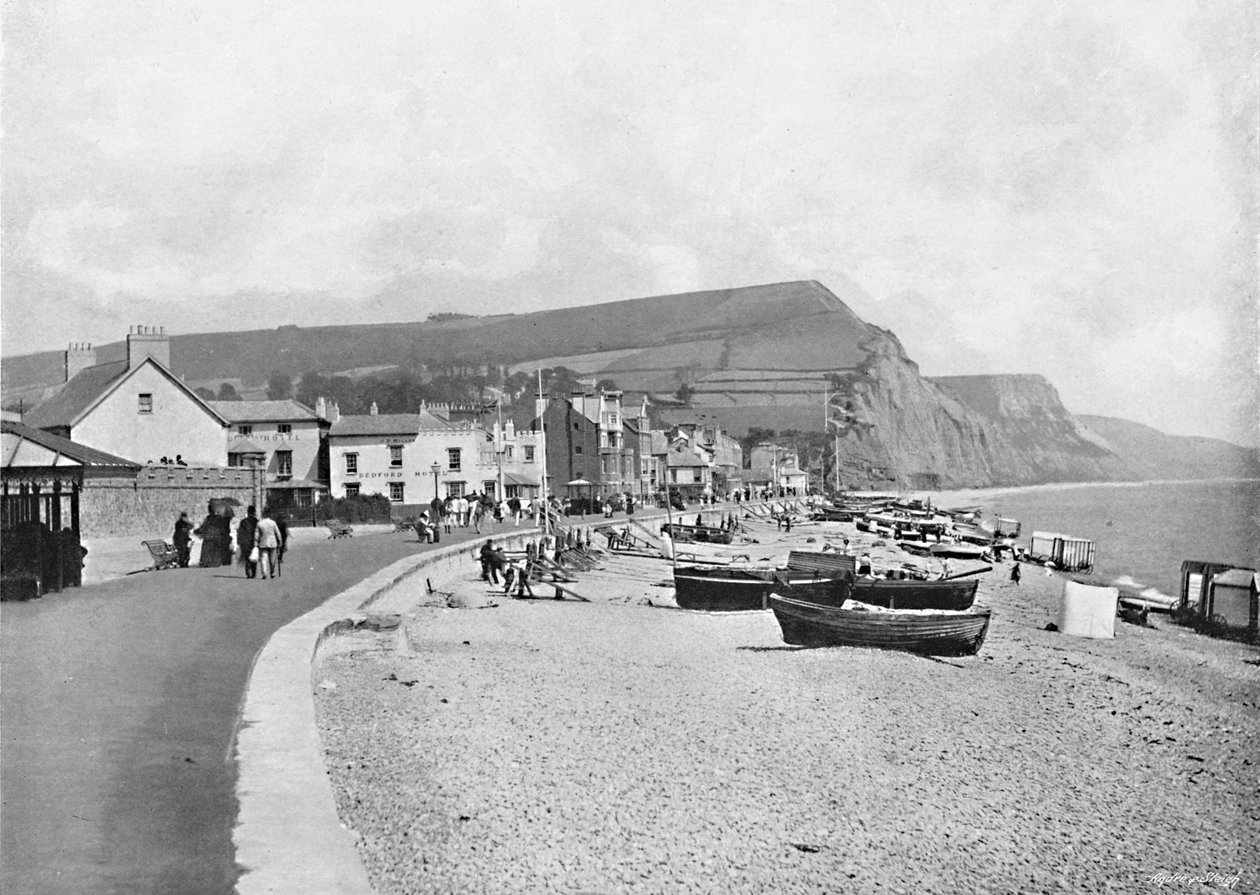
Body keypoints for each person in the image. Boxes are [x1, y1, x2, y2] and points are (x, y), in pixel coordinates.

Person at [255, 508, 282, 579]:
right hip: (272, 543)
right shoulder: (273, 523)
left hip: (263, 542)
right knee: (272, 559)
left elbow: (256, 535)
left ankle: (264, 573)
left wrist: (256, 542)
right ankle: (272, 572)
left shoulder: (260, 523)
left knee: (263, 559)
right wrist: (280, 541)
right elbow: (278, 533)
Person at [237, 506, 260, 579]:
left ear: (248, 512)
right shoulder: (256, 521)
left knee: (247, 558)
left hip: (245, 542)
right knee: (254, 557)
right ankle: (253, 573)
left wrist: (239, 541)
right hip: (253, 542)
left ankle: (248, 572)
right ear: (254, 512)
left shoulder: (243, 522)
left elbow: (240, 532)